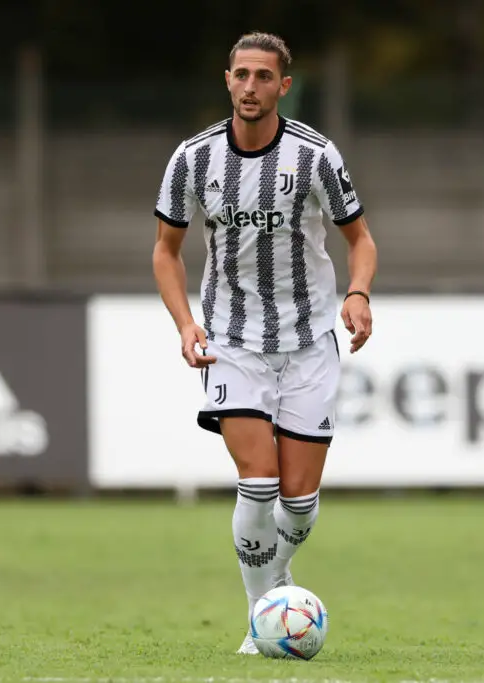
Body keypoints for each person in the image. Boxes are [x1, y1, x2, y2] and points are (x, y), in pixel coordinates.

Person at [151, 31, 378, 654]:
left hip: (309, 342)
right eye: (241, 74)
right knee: (258, 481)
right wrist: (186, 324)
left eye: (263, 76)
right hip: (232, 341)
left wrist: (358, 293)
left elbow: (360, 239)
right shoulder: (193, 158)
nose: (250, 86)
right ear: (227, 80)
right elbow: (166, 252)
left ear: (284, 85)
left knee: (298, 505)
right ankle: (263, 619)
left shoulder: (316, 155)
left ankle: (276, 585)